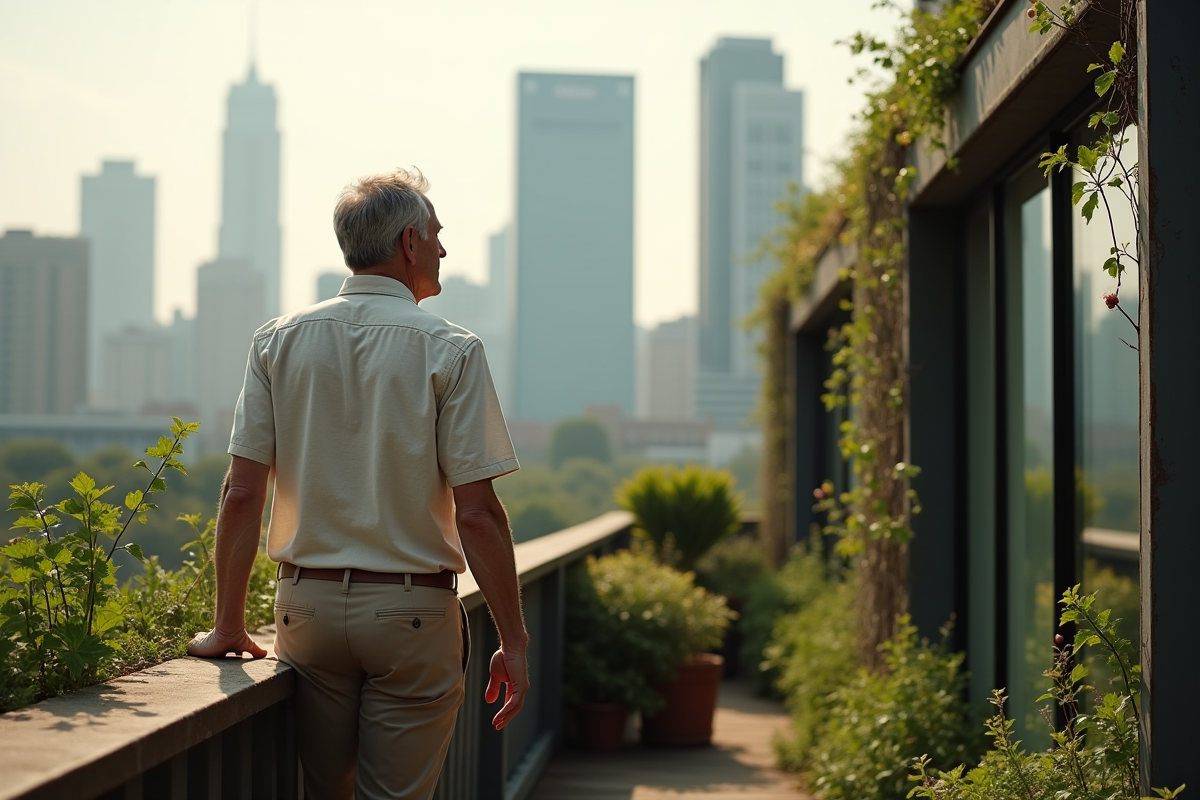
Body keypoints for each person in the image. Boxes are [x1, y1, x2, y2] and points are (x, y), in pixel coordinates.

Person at [188, 168, 529, 800]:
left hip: (306, 612)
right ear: (408, 241)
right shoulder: (451, 349)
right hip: (411, 615)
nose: (443, 250)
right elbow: (477, 515)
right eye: (436, 235)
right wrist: (513, 640)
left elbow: (241, 494)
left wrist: (229, 624)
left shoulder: (277, 340)